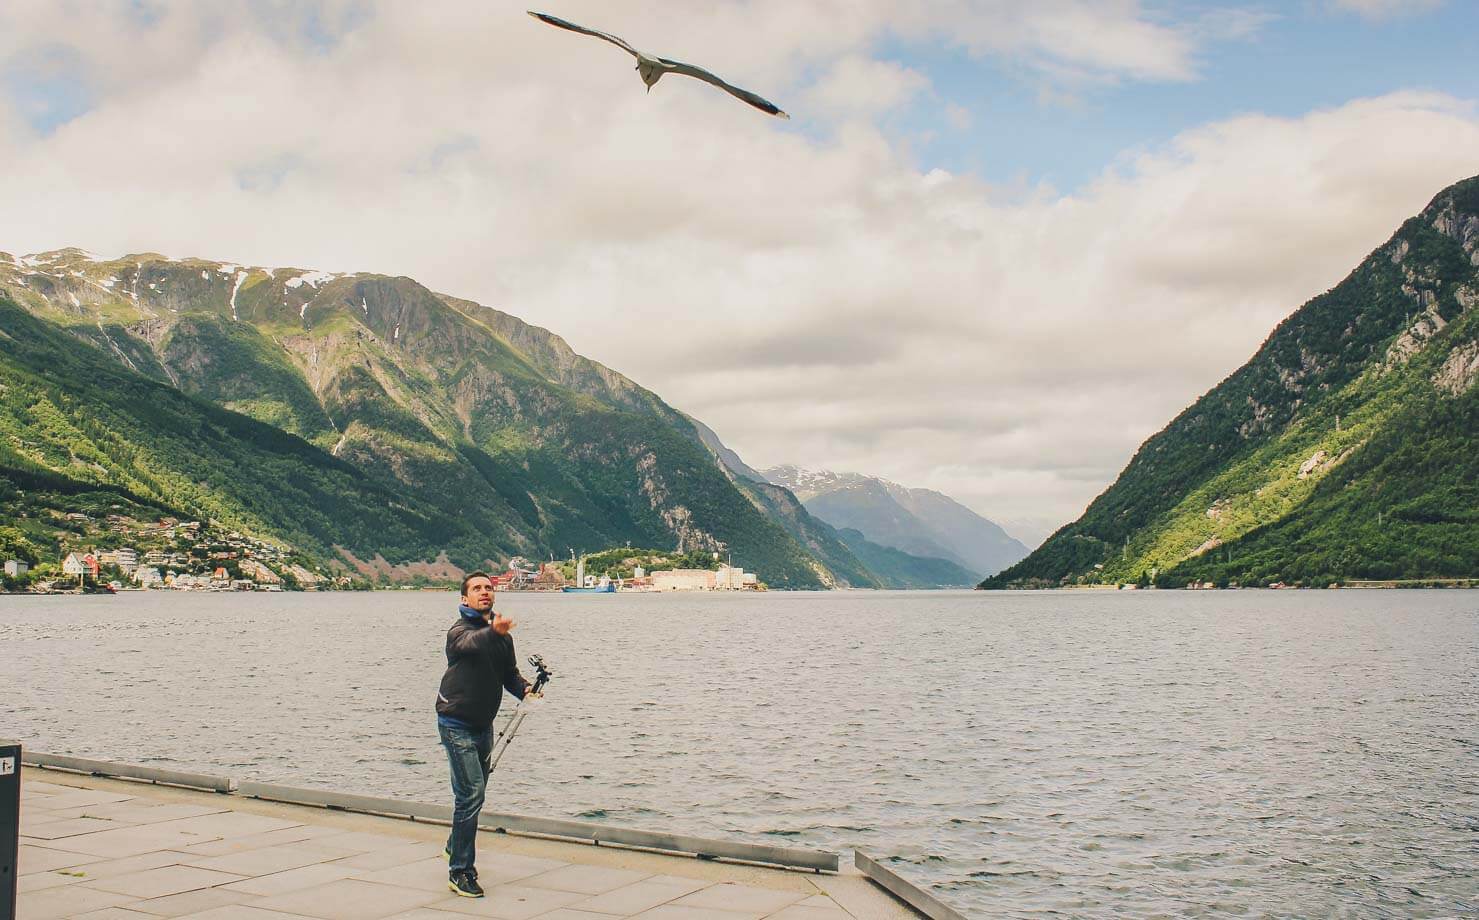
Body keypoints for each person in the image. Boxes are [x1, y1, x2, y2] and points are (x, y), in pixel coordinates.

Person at [436, 571, 532, 898]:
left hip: (483, 726)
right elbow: (471, 644)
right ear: (465, 599)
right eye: (477, 589)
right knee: (471, 795)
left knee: (472, 796)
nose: (484, 592)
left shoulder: (502, 637)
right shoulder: (459, 631)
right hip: (455, 723)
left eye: (488, 588)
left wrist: (526, 690)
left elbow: (509, 675)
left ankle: (454, 844)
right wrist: (494, 631)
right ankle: (460, 871)